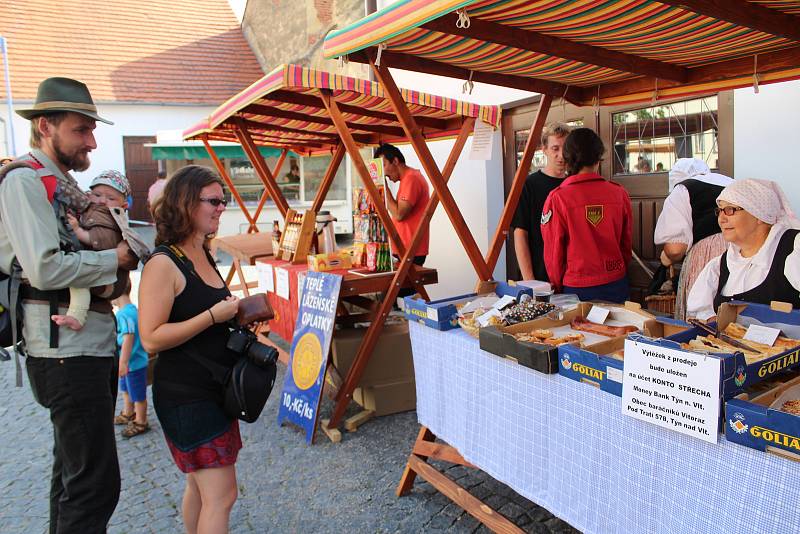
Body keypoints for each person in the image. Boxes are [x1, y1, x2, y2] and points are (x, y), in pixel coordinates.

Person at [0, 77, 136, 533]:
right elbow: (44, 268)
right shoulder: (24, 180)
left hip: (84, 347)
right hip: (63, 353)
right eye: (81, 130)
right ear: (45, 126)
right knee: (94, 484)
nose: (92, 142)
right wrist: (112, 259)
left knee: (74, 478)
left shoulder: (62, 183)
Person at [139, 165, 241, 533]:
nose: (221, 208)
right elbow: (150, 337)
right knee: (222, 496)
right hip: (187, 396)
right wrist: (214, 315)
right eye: (213, 201)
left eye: (223, 200)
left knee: (199, 488)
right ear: (186, 203)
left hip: (211, 391)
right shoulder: (164, 263)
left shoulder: (202, 252)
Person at [541, 128, 633, 303]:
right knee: (618, 330)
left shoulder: (558, 198)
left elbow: (554, 253)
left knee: (579, 331)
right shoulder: (619, 193)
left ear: (567, 158)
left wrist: (556, 284)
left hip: (576, 287)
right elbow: (626, 244)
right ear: (598, 158)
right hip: (616, 282)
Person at [687, 179, 800, 320]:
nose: (721, 219)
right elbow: (701, 314)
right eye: (720, 210)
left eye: (730, 210)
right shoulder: (720, 266)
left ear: (759, 214)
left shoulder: (794, 248)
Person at [51, 170, 146, 331]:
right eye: (97, 195)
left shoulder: (111, 217)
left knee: (78, 280)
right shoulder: (91, 211)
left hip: (106, 276)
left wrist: (78, 230)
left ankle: (77, 316)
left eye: (110, 198)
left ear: (123, 206)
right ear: (88, 195)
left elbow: (101, 239)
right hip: (104, 272)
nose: (102, 201)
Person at [653, 158, 733, 320]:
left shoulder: (683, 189)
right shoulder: (732, 184)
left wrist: (668, 256)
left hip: (706, 257)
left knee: (703, 314)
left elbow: (676, 248)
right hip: (741, 254)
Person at [511, 122, 572, 281]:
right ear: (544, 149)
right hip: (540, 275)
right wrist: (530, 281)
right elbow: (520, 233)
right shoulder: (529, 185)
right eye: (555, 148)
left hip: (571, 278)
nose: (561, 155)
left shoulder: (574, 185)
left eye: (565, 149)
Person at [375, 143, 430, 296]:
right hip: (404, 247)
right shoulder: (407, 179)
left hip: (411, 248)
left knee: (394, 293)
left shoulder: (411, 178)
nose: (384, 171)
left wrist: (383, 188)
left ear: (396, 161)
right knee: (393, 294)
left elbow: (399, 214)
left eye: (384, 164)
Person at [112, 277, 150, 438]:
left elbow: (128, 337)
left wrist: (123, 362)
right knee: (126, 389)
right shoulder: (133, 310)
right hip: (130, 363)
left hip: (132, 363)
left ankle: (141, 420)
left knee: (137, 394)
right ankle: (128, 412)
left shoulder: (123, 314)